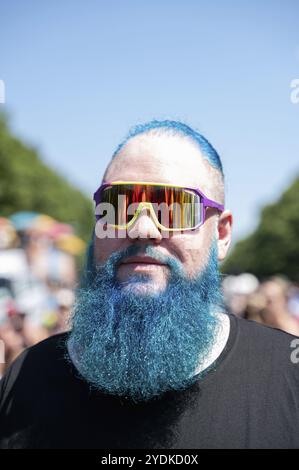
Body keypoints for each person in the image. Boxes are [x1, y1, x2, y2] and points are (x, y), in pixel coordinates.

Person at [0, 120, 298, 449]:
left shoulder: (288, 377)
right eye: (118, 205)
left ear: (222, 235)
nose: (142, 228)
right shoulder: (25, 377)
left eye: (174, 208)